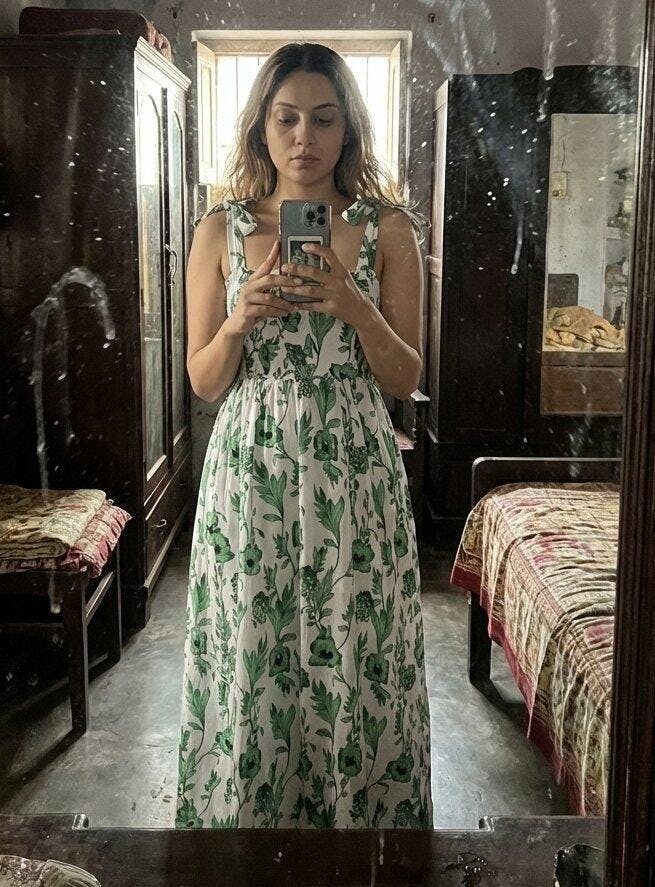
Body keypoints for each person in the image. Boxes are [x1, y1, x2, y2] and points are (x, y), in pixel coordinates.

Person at [176, 41, 432, 830]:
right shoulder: (219, 230)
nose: (303, 138)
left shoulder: (388, 229)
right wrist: (239, 319)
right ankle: (247, 840)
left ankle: (362, 840)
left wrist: (355, 307)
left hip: (353, 466)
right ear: (260, 126)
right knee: (252, 649)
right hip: (248, 468)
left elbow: (404, 377)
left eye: (323, 119)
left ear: (347, 128)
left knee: (356, 648)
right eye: (285, 118)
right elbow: (204, 380)